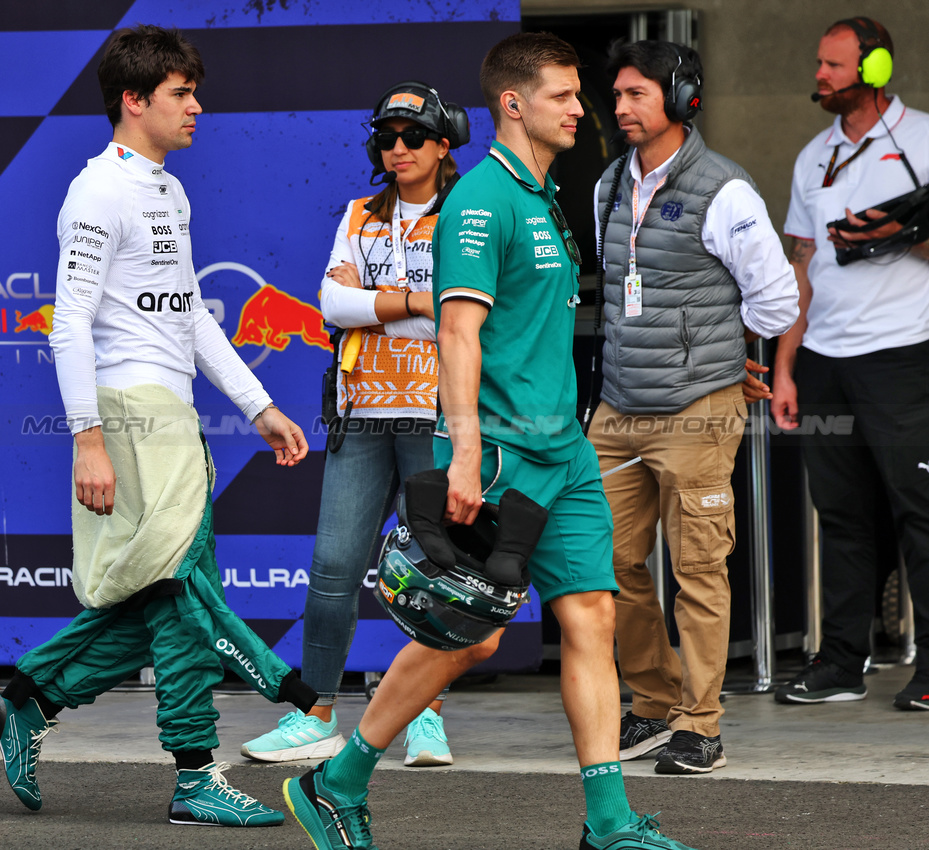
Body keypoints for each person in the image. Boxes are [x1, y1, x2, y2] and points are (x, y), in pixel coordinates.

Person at [283, 32, 698, 850]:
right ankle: (336, 783)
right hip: (501, 453)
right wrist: (464, 452)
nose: (584, 109)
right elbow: (458, 333)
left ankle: (608, 825)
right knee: (464, 635)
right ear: (514, 104)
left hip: (565, 456)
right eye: (564, 95)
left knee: (590, 621)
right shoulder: (481, 200)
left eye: (580, 96)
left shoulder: (543, 194)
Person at [0, 25, 319, 826]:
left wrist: (256, 404)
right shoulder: (96, 192)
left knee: (159, 593)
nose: (196, 107)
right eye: (180, 94)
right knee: (181, 596)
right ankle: (199, 771)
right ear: (133, 102)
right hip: (132, 417)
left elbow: (192, 317)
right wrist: (87, 439)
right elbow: (68, 325)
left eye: (192, 91)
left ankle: (31, 697)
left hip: (171, 418)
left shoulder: (168, 189)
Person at [240, 80, 468, 768]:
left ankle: (427, 716)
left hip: (434, 412)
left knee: (433, 572)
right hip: (361, 412)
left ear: (442, 144)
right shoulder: (357, 212)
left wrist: (379, 302)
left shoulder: (467, 213)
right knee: (333, 568)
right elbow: (333, 304)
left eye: (412, 137)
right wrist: (413, 300)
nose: (397, 149)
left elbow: (463, 316)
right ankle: (314, 713)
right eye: (386, 139)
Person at [587, 41, 799, 774]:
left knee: (697, 566)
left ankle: (698, 722)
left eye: (636, 94)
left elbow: (775, 302)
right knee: (606, 560)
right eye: (615, 95)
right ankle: (651, 702)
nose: (619, 109)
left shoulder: (726, 189)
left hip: (696, 411)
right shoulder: (608, 182)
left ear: (679, 98)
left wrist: (717, 357)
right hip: (615, 407)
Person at [772, 16, 929, 711]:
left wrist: (900, 231)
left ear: (872, 71)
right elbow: (799, 270)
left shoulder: (922, 138)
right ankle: (839, 661)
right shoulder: (812, 156)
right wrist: (784, 367)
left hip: (903, 354)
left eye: (833, 66)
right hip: (822, 360)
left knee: (918, 511)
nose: (820, 76)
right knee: (838, 515)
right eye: (819, 64)